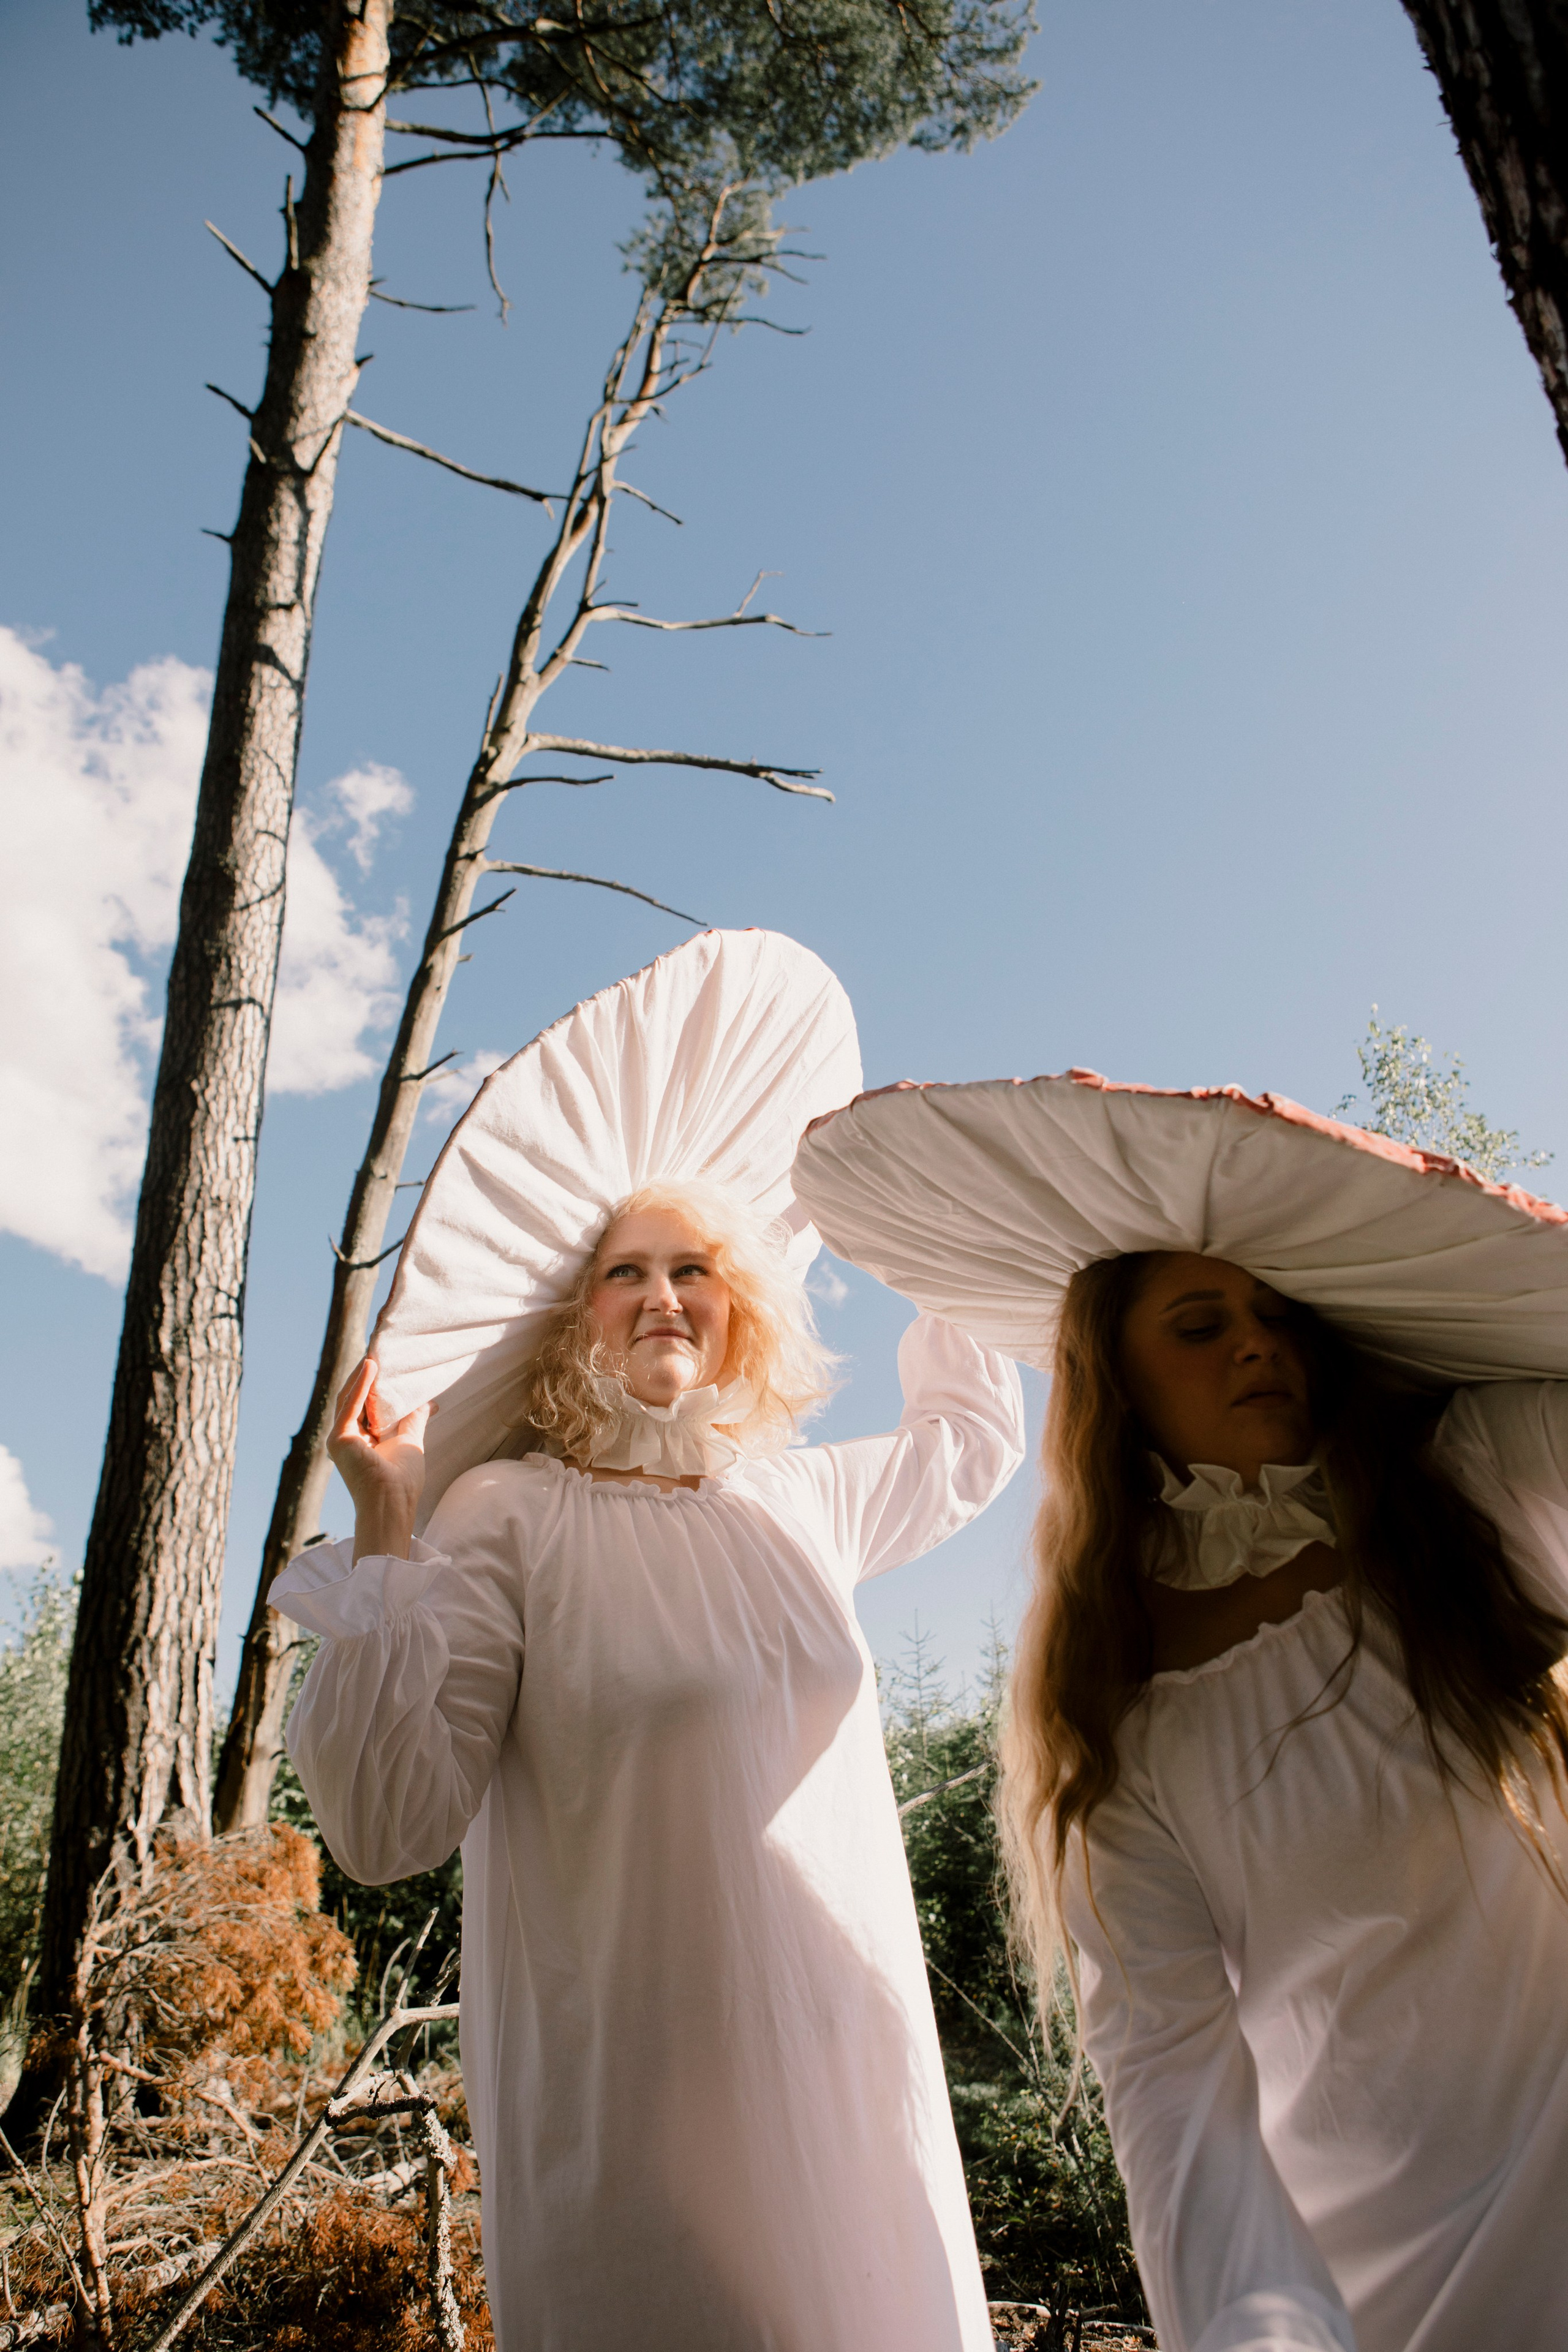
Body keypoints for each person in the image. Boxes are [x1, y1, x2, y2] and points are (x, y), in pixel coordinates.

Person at [271, 930, 1025, 2352]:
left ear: (740, 1305)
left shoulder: (798, 1498)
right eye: (626, 1272)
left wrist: (923, 1226)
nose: (664, 1294)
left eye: (694, 1266)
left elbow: (968, 1444)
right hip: (629, 2085)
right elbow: (384, 1823)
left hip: (839, 2056)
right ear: (578, 1318)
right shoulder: (506, 1515)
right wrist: (384, 1530)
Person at [791, 1068, 1568, 2352]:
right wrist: (1255, 2329)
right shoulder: (1120, 1733)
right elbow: (1169, 2080)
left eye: (1274, 1314)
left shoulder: (1470, 1502)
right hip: (1407, 2252)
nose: (1255, 1341)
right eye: (1198, 1325)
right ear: (1118, 1384)